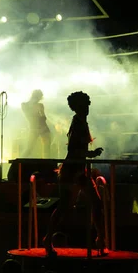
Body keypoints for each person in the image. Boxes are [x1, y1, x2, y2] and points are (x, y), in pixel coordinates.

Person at [44, 91, 107, 257]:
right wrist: (91, 155)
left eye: (87, 104)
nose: (87, 108)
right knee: (65, 207)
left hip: (79, 169)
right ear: (77, 107)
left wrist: (89, 155)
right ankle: (48, 239)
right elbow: (72, 148)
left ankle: (100, 239)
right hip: (73, 169)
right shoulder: (78, 123)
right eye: (84, 105)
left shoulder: (81, 122)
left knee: (96, 203)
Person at [21, 89, 52, 158]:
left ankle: (46, 166)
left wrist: (40, 111)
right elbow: (32, 116)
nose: (40, 99)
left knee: (45, 150)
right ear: (37, 96)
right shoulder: (25, 105)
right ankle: (16, 164)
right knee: (29, 149)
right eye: (40, 97)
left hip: (40, 128)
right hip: (37, 128)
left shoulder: (38, 105)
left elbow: (43, 118)